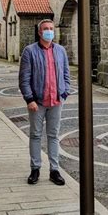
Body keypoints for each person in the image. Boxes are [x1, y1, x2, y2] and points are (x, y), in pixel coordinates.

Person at [18, 19, 71, 186]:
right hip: (38, 102)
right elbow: (24, 79)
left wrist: (64, 93)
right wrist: (29, 99)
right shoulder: (29, 51)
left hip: (56, 101)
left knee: (53, 135)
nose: (49, 31)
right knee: (35, 135)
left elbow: (66, 74)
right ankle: (35, 169)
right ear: (40, 32)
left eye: (51, 28)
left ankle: (54, 170)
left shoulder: (61, 50)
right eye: (45, 29)